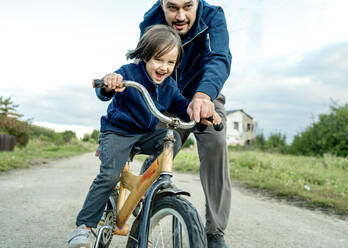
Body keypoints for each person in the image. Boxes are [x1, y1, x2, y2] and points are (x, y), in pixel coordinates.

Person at [67, 24, 220, 248]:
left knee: (173, 138)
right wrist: (110, 83)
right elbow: (105, 91)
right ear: (146, 56)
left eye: (170, 63)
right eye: (159, 60)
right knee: (109, 175)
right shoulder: (129, 73)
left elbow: (182, 106)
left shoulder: (169, 85)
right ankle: (83, 227)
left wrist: (201, 114)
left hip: (145, 134)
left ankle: (148, 184)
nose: (164, 67)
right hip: (117, 132)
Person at [140, 1, 232, 247]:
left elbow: (219, 58)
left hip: (205, 94)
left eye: (188, 6)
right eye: (172, 7)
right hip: (169, 95)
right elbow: (144, 65)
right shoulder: (151, 20)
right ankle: (143, 214)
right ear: (162, 3)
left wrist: (204, 95)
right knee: (159, 152)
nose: (180, 16)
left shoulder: (213, 16)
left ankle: (214, 233)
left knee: (216, 144)